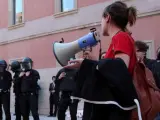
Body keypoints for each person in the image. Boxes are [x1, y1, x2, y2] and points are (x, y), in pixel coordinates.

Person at [65, 1, 137, 120]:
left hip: (114, 106)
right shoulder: (120, 38)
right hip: (112, 104)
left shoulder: (121, 37)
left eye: (101, 19)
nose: (101, 23)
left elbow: (120, 67)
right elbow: (110, 68)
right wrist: (91, 62)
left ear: (107, 17)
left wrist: (87, 64)